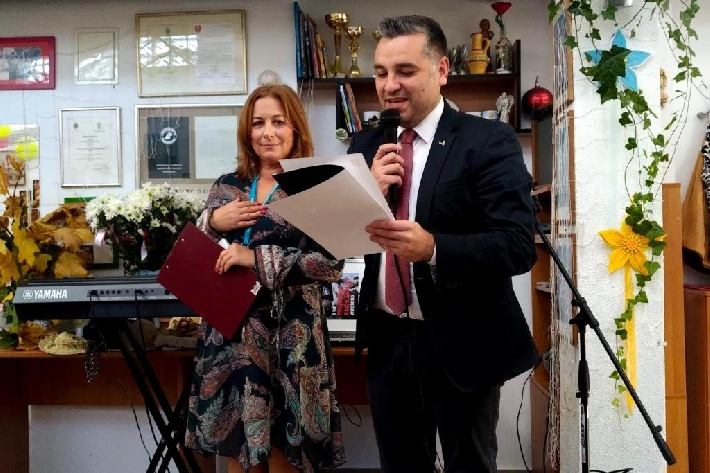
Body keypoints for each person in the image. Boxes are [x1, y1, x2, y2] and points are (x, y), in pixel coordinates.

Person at [347, 15, 539, 473]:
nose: (389, 85)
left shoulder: (487, 140)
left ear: (442, 70)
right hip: (388, 339)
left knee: (468, 464)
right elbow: (350, 237)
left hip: (464, 341)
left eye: (405, 71)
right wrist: (364, 192)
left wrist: (433, 249)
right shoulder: (366, 143)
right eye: (380, 73)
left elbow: (517, 245)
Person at [185, 84, 346, 473]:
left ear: (295, 128)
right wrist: (211, 221)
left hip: (292, 337)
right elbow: (196, 259)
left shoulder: (318, 184)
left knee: (285, 451)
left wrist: (255, 258)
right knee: (240, 451)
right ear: (247, 130)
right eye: (258, 123)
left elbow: (331, 264)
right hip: (231, 339)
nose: (267, 132)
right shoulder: (227, 185)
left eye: (278, 122)